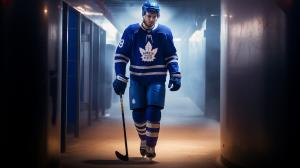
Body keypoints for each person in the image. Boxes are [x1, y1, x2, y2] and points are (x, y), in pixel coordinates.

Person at [112, 0, 181, 160]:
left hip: (156, 79)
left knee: (153, 111)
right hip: (137, 79)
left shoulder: (164, 32)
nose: (151, 19)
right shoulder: (131, 31)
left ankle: (151, 145)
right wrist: (120, 76)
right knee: (138, 114)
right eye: (149, 16)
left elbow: (171, 56)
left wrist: (175, 74)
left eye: (154, 16)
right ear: (143, 14)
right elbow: (121, 56)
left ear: (158, 16)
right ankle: (143, 139)